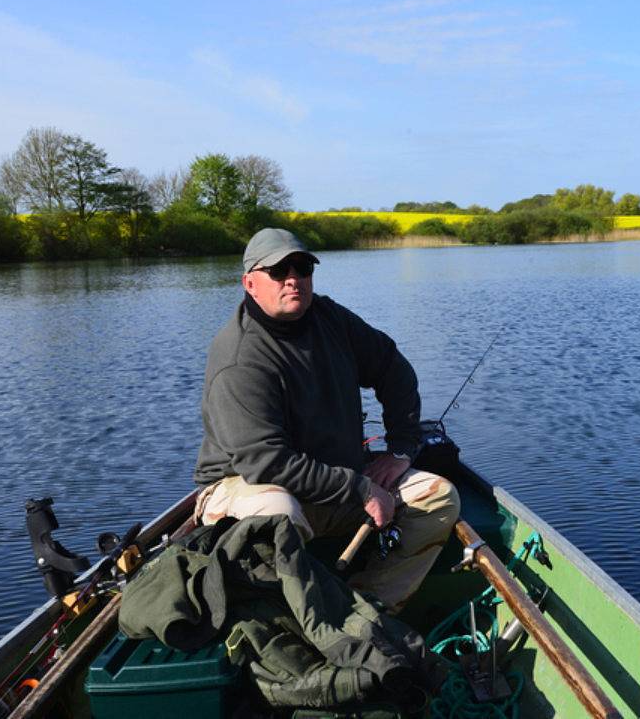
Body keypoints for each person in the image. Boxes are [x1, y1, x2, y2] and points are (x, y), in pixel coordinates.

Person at [193, 227, 459, 612]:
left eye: (302, 268)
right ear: (249, 283)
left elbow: (392, 367)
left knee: (438, 497)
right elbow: (265, 463)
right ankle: (288, 621)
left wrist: (401, 447)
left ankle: (370, 609)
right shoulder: (240, 358)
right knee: (278, 513)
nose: (293, 279)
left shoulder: (329, 318)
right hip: (243, 486)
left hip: (333, 480)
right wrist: (362, 489)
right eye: (279, 271)